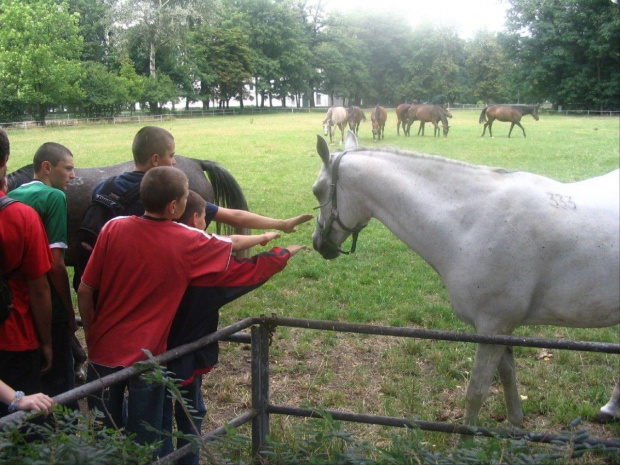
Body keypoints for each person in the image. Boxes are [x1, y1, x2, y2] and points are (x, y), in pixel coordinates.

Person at [77, 166, 305, 455]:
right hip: (146, 359)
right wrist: (280, 252)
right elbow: (232, 249)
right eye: (186, 197)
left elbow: (85, 291)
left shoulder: (114, 227)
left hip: (101, 356)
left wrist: (93, 336)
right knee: (147, 445)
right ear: (174, 206)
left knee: (103, 442)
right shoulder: (187, 241)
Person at [162, 191, 307, 464]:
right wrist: (282, 253)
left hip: (143, 350)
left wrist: (266, 236)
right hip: (183, 354)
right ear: (196, 219)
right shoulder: (205, 271)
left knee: (152, 417)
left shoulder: (149, 238)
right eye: (206, 217)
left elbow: (226, 241)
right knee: (191, 413)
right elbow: (248, 270)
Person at [73, 125, 312, 289]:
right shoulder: (165, 195)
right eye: (171, 155)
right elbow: (232, 217)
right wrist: (280, 225)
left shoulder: (105, 186)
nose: (175, 161)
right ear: (156, 160)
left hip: (99, 280)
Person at [8, 143, 79, 409]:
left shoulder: (13, 194)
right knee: (62, 377)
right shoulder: (54, 197)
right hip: (49, 304)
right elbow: (55, 264)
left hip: (22, 305)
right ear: (47, 167)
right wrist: (68, 311)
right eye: (68, 168)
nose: (73, 175)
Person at [0, 129, 54, 418]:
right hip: (16, 336)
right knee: (25, 429)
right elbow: (39, 289)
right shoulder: (21, 216)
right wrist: (46, 341)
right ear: (6, 159)